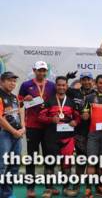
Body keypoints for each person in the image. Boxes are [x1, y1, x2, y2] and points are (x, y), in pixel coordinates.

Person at [18, 61, 56, 198]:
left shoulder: (52, 85)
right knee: (31, 158)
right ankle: (30, 188)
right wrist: (24, 100)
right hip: (32, 126)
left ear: (47, 71)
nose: (41, 73)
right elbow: (19, 103)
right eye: (39, 70)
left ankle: (49, 186)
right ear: (34, 70)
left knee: (49, 158)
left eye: (44, 70)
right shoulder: (26, 85)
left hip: (48, 127)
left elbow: (57, 101)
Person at [38, 76, 81, 198]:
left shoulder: (72, 101)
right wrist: (51, 119)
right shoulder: (48, 100)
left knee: (66, 164)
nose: (61, 87)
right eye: (59, 85)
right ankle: (49, 189)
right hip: (51, 138)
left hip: (68, 138)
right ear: (55, 86)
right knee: (49, 163)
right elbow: (40, 117)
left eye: (63, 85)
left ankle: (66, 188)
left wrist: (76, 122)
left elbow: (78, 117)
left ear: (67, 86)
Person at [82, 75, 102, 198]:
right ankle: (88, 189)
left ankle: (100, 186)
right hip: (93, 135)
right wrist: (85, 114)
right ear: (96, 83)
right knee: (91, 162)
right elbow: (84, 113)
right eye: (101, 83)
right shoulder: (89, 98)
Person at [65, 71, 96, 195]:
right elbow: (62, 88)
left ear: (92, 81)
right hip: (78, 132)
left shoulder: (96, 94)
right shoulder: (74, 92)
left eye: (89, 79)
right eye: (84, 79)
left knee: (91, 162)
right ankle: (76, 186)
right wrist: (67, 78)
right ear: (80, 81)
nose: (86, 82)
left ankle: (89, 188)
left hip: (93, 132)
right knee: (80, 160)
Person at [0, 72, 25, 198]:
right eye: (9, 80)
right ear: (2, 81)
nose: (12, 83)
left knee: (14, 165)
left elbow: (21, 112)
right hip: (4, 134)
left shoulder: (15, 97)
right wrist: (13, 131)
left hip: (16, 135)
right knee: (2, 165)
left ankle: (7, 193)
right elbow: (0, 118)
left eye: (14, 81)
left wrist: (23, 127)